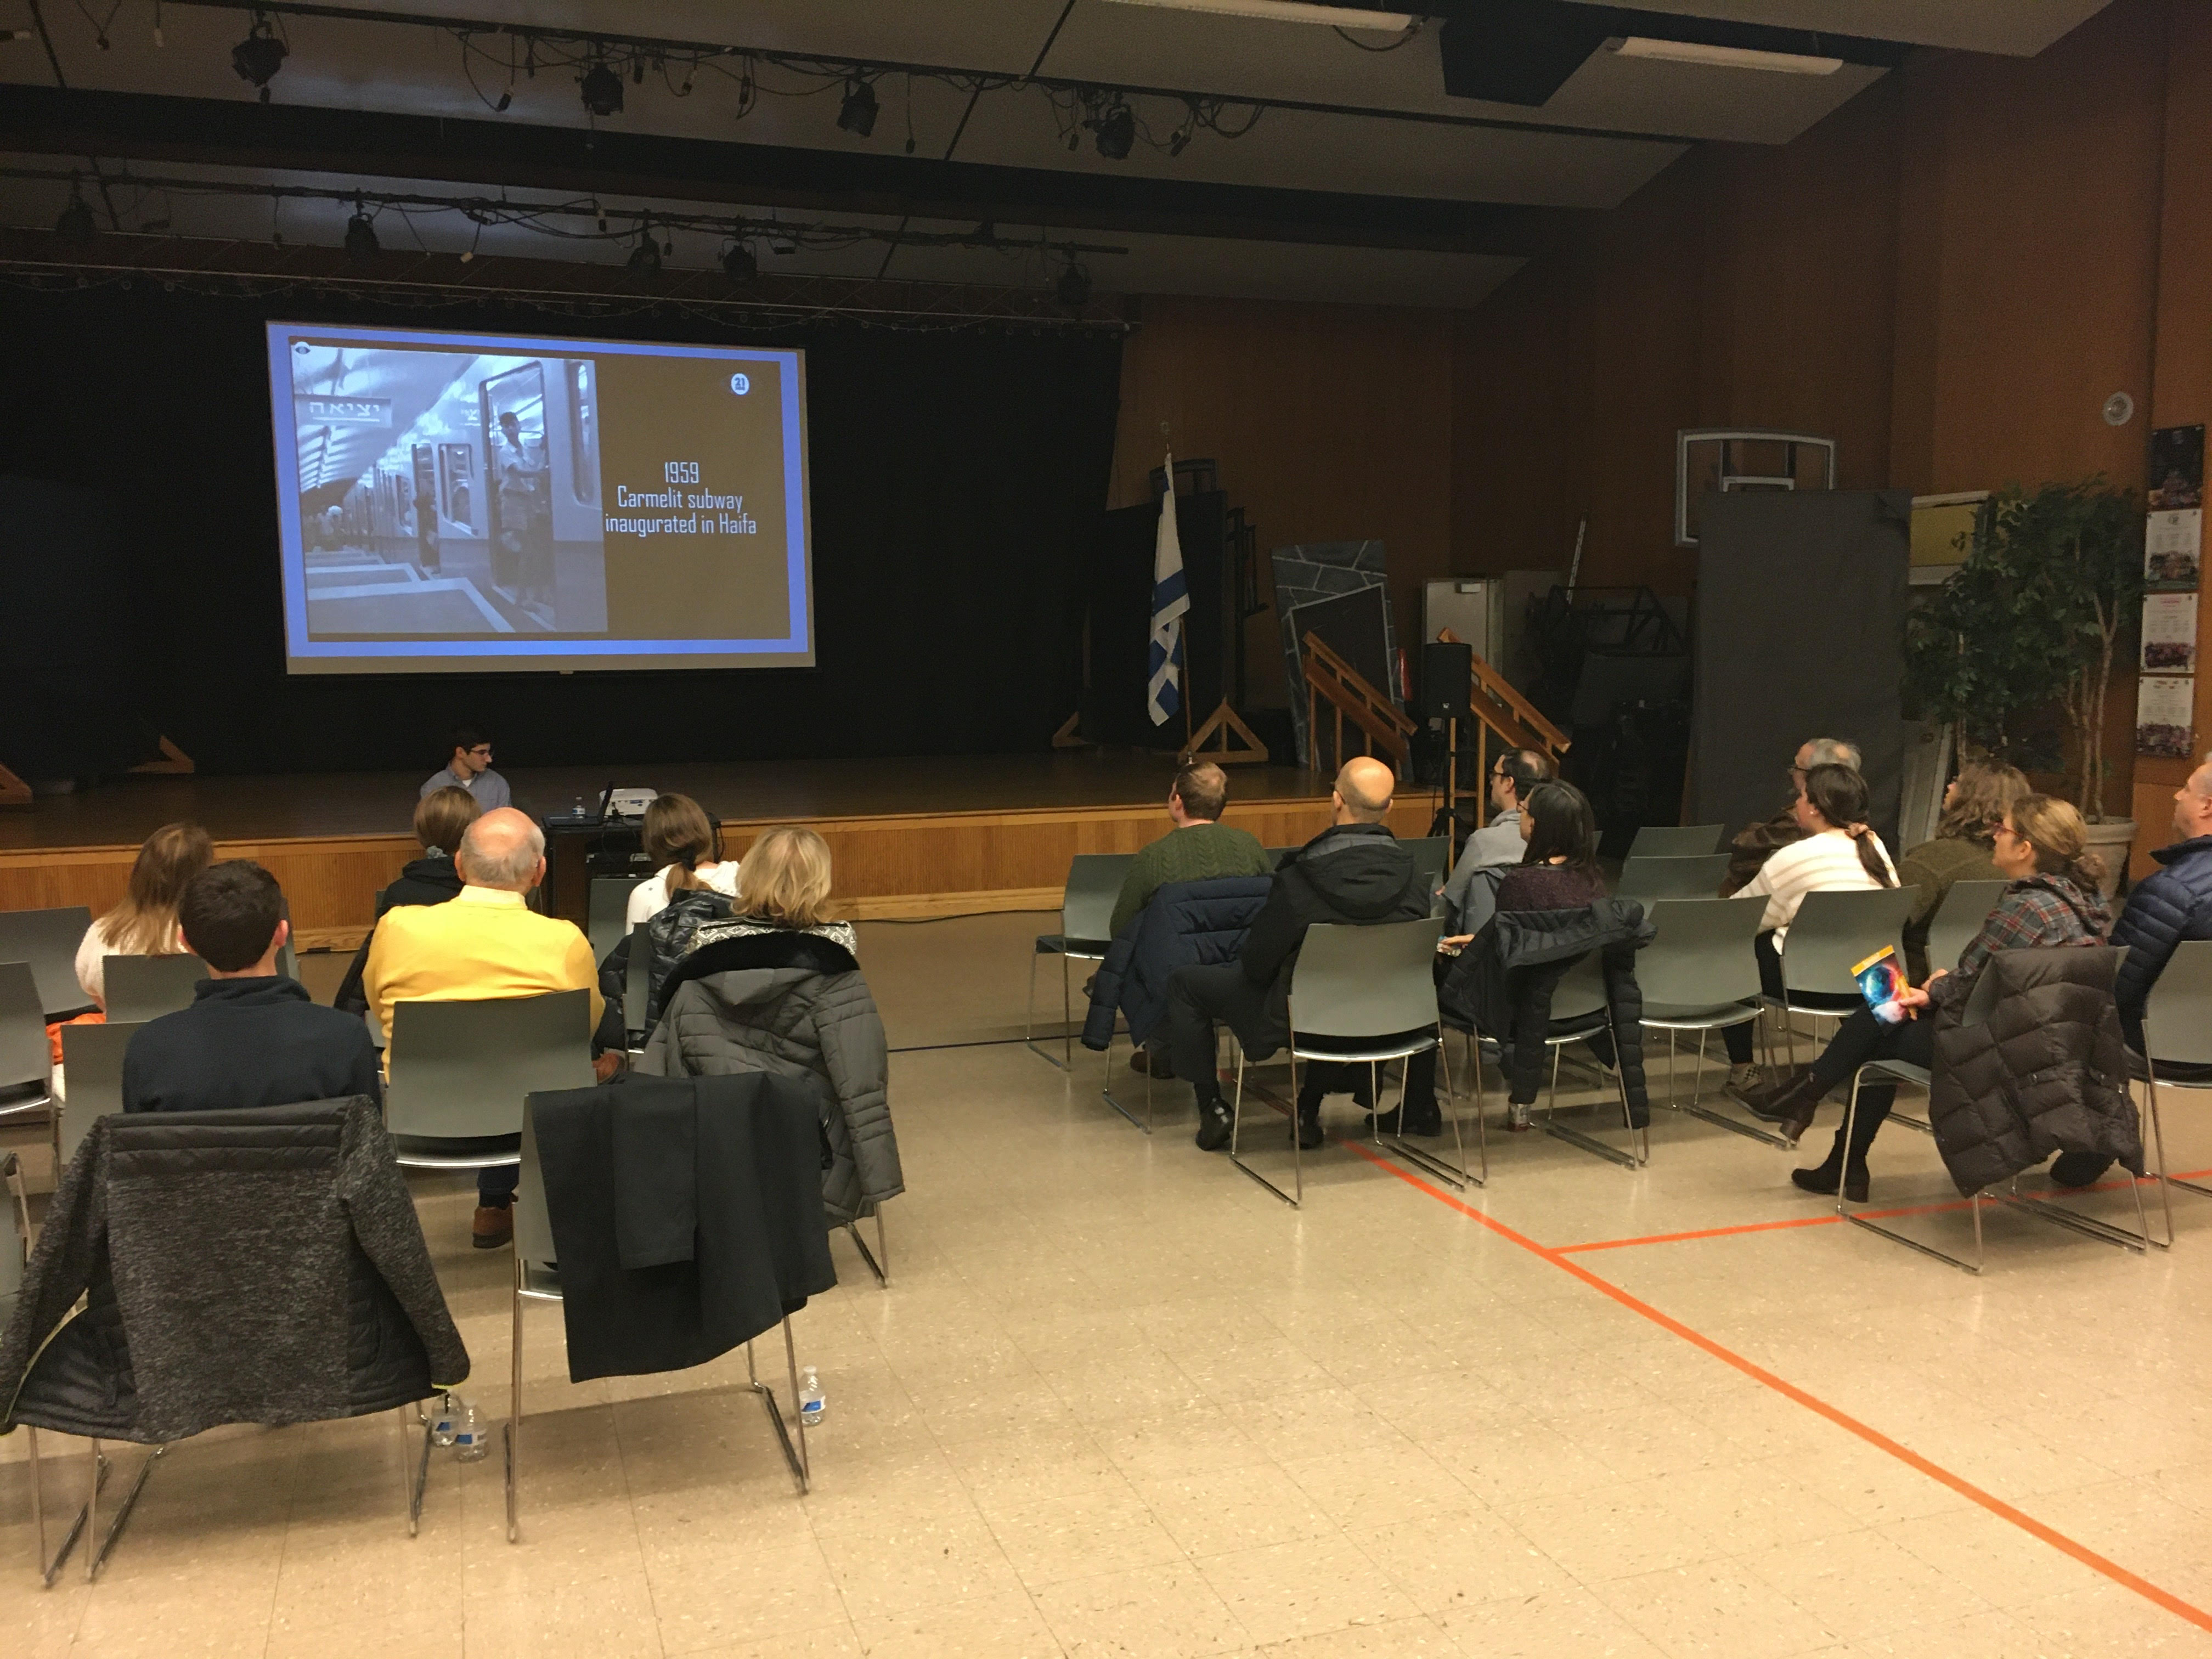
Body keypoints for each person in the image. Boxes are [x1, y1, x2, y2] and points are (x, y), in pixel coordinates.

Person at [1740, 795, 2111, 1200]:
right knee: (1886, 1009)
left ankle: (1813, 1109)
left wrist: (1936, 987)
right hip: (2047, 1045)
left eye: (2003, 830)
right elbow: (1994, 978)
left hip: (2002, 1053)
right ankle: (1817, 1119)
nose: (1994, 836)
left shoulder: (2026, 908)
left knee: (1880, 1015)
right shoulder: (2085, 900)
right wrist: (1942, 985)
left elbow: (1972, 985)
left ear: (2026, 849)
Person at [363, 807, 607, 1250]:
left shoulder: (397, 927)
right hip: (532, 1123)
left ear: (458, 864)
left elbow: (379, 1010)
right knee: (556, 1070)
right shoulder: (565, 940)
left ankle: (492, 1209)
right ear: (540, 873)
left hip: (422, 1119)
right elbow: (581, 1032)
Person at [639, 825, 904, 1229]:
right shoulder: (837, 958)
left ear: (750, 875)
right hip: (809, 1139)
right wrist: (877, 1169)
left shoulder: (701, 949)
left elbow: (668, 1054)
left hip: (717, 1134)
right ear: (821, 883)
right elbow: (861, 1073)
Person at [1164, 757, 1430, 1153]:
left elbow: (1257, 965)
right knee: (1335, 986)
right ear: (1389, 808)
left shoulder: (1300, 879)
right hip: (1388, 1017)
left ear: (1336, 801)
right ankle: (1307, 1107)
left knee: (1186, 984)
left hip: (1305, 1017)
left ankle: (1213, 1110)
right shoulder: (1416, 879)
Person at [122, 861, 380, 1115]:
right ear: (281, 934)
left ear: (186, 943)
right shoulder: (345, 1038)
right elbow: (367, 1147)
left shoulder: (150, 1049)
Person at [1722, 763, 1898, 1094]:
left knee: (1738, 948)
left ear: (1815, 807)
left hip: (1804, 981)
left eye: (1801, 797)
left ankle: (1743, 1070)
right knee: (1867, 945)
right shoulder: (1875, 847)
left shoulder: (1793, 856)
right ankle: (1881, 1061)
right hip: (1871, 984)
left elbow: (1740, 919)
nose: (1796, 804)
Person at [1107, 763, 1274, 1076]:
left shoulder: (1154, 857)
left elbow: (1121, 926)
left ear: (1178, 801)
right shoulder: (1249, 847)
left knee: (1141, 961)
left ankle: (1166, 1051)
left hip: (1178, 975)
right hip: (1239, 970)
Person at [334, 786, 479, 1017]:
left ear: (421, 833)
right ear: (473, 834)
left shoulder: (399, 895)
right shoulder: (487, 895)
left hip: (408, 1023)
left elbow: (369, 970)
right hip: (481, 1020)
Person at [1897, 758, 2032, 980]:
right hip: (1981, 974)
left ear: (1972, 799)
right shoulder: (2020, 866)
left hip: (1916, 977)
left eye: (1957, 782)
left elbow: (1885, 924)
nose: (1949, 787)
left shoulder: (1935, 859)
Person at [74, 821, 215, 1011]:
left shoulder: (101, 932)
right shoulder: (212, 937)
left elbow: (95, 995)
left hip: (125, 1039)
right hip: (200, 1037)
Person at [1721, 737, 1864, 898]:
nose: (1793, 772)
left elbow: (1741, 855)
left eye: (1798, 767)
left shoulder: (1797, 841)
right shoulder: (1868, 840)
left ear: (1817, 778)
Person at [625, 793, 738, 926]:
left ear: (650, 844)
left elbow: (636, 947)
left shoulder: (645, 894)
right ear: (706, 832)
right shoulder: (747, 880)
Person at [419, 727, 511, 810]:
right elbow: (431, 826)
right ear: (460, 753)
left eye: (489, 753)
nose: (489, 760)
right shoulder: (433, 787)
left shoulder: (497, 783)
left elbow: (506, 823)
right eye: (482, 753)